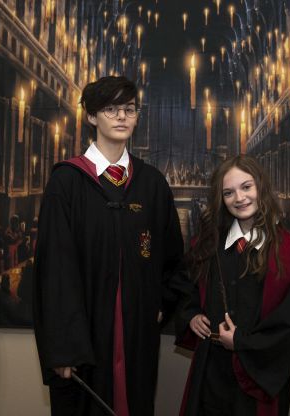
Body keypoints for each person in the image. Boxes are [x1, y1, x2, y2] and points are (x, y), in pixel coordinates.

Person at [33, 76, 183, 416]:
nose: (122, 117)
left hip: (136, 331)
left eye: (129, 109)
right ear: (91, 116)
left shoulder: (152, 183)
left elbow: (172, 255)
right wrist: (63, 347)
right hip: (84, 334)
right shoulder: (67, 181)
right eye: (111, 109)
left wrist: (160, 303)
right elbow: (54, 269)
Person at [176, 155, 290, 416]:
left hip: (259, 377)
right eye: (228, 192)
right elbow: (187, 288)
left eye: (246, 187)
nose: (239, 198)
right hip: (211, 371)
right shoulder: (207, 245)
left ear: (261, 186)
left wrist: (240, 342)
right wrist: (191, 313)